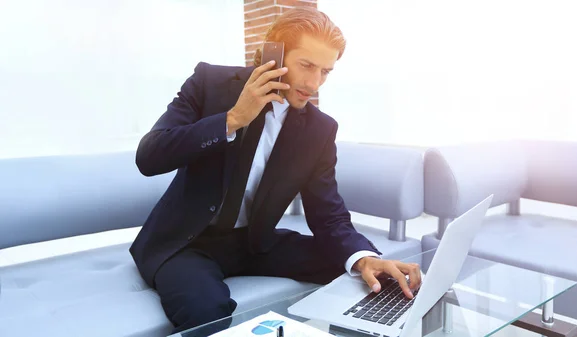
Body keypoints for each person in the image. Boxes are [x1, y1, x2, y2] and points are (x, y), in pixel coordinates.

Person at [129, 6, 422, 334]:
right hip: (187, 242)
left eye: (326, 71)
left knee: (366, 272)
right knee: (207, 311)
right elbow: (149, 156)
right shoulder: (209, 83)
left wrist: (363, 257)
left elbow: (328, 214)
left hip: (255, 242)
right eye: (306, 65)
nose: (314, 83)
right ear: (276, 53)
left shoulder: (319, 129)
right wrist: (233, 119)